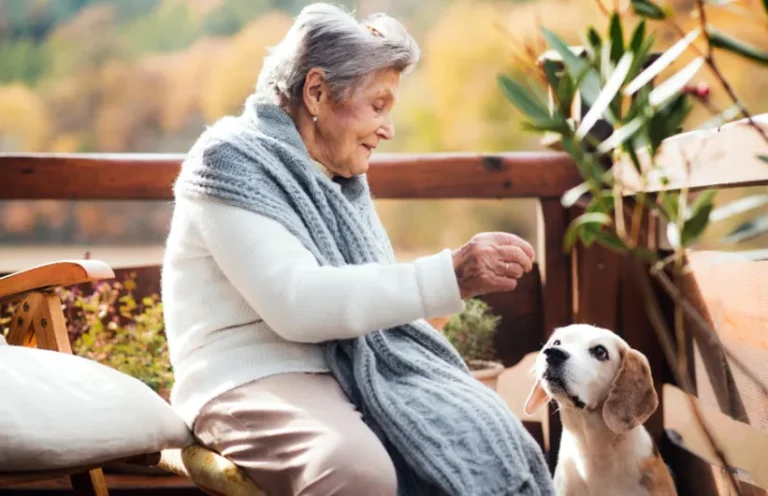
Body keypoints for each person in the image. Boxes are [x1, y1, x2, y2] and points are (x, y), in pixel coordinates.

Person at [163, 4, 554, 496]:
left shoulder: (338, 179)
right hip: (244, 377)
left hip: (345, 367)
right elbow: (297, 304)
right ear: (317, 92)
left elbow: (367, 305)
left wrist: (427, 313)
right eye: (378, 105)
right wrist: (449, 276)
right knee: (355, 471)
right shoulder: (229, 159)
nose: (388, 128)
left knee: (490, 439)